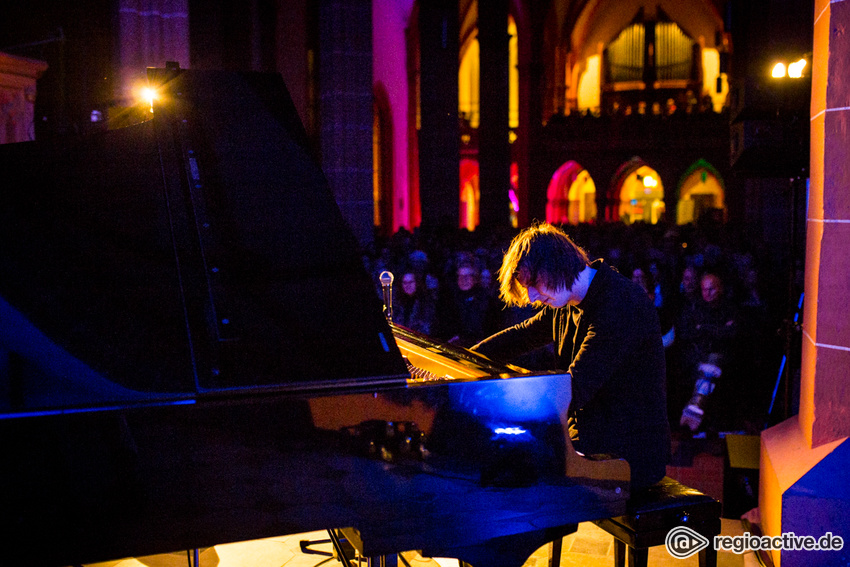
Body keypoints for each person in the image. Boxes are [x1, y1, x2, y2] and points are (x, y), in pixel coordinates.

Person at [471, 223, 671, 489]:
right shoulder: (564, 301)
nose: (531, 297)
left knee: (514, 480)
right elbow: (520, 336)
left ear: (556, 267)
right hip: (592, 438)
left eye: (534, 284)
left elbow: (576, 385)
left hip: (628, 452)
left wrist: (500, 401)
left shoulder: (620, 303)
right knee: (500, 464)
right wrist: (461, 361)